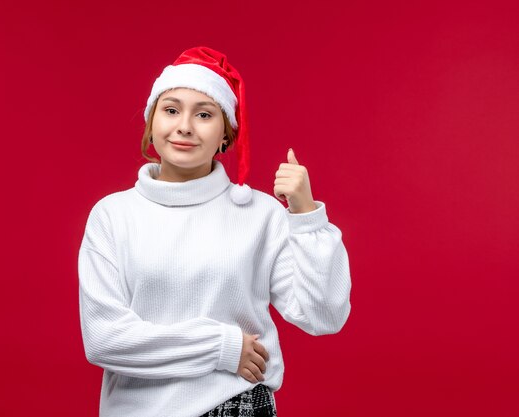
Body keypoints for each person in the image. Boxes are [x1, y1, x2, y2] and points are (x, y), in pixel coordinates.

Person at [78, 46, 352, 417]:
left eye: (204, 114)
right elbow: (104, 339)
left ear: (226, 134)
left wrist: (306, 215)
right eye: (171, 110)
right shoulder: (113, 216)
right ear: (151, 122)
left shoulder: (260, 214)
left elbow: (323, 315)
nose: (185, 126)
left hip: (236, 405)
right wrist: (221, 346)